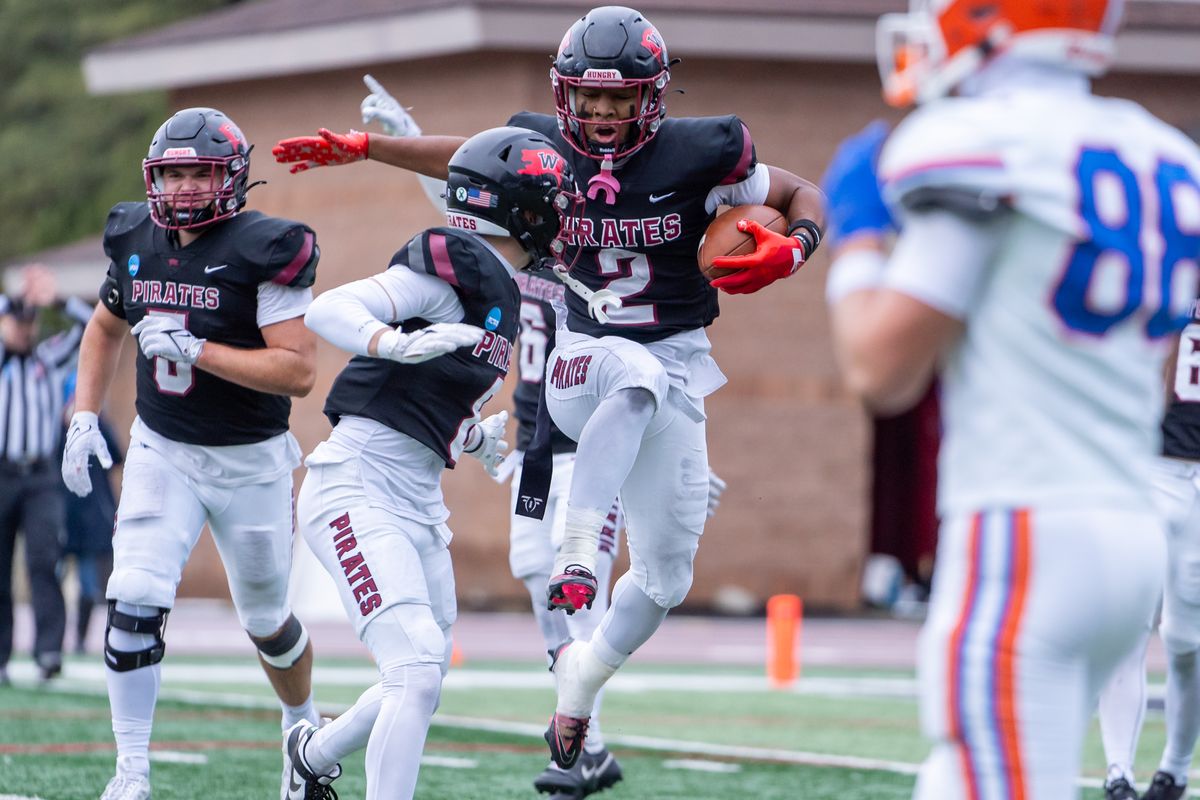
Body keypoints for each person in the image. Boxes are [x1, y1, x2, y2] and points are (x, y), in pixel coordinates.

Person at [273, 5, 824, 771]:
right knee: (627, 382)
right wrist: (373, 148)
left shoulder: (706, 150)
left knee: (665, 578)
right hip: (581, 351)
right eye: (588, 99)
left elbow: (802, 192)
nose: (600, 116)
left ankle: (580, 688)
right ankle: (575, 558)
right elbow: (469, 159)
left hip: (679, 359)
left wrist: (794, 249)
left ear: (653, 96)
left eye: (619, 100)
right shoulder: (540, 152)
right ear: (566, 94)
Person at [822, 1, 1200, 797]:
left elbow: (880, 368)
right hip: (1129, 531)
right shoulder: (1162, 152)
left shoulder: (984, 142)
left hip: (1025, 527)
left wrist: (855, 236)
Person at [279, 125, 578, 800]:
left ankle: (312, 754)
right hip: (355, 486)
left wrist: (469, 436)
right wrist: (388, 341)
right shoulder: (456, 268)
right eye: (555, 199)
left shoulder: (502, 288)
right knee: (413, 671)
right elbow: (332, 308)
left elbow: (426, 391)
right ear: (525, 208)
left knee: (423, 675)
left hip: (415, 498)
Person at [61, 107, 323, 800]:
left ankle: (300, 728)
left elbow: (298, 371)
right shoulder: (135, 236)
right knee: (135, 595)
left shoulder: (267, 246)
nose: (180, 188)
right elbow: (103, 327)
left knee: (267, 621)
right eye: (172, 172)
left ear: (230, 176)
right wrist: (83, 416)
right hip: (163, 446)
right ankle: (132, 771)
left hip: (252, 457)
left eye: (197, 172)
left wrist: (198, 350)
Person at [1096, 303, 1200, 800]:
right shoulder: (1164, 263)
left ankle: (1174, 771)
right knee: (1127, 624)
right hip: (1152, 469)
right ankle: (1119, 773)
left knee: (1186, 641)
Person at [0, 265, 91, 686]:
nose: (25, 329)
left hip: (40, 475)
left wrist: (55, 299)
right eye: (17, 321)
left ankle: (49, 651)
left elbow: (93, 327)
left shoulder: (48, 357)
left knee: (43, 561)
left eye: (29, 320)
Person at [59, 374, 123, 655]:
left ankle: (79, 641)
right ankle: (49, 642)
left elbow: (116, 456)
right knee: (49, 582)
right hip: (60, 516)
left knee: (88, 588)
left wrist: (99, 422)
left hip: (89, 519)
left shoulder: (99, 428)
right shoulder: (54, 429)